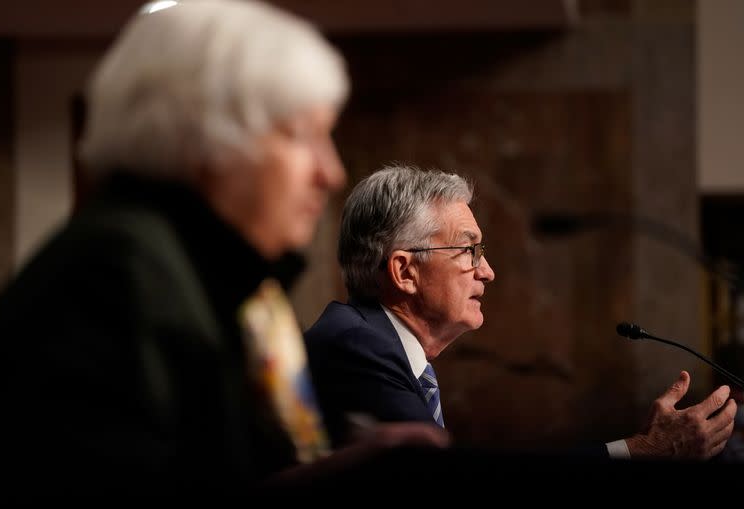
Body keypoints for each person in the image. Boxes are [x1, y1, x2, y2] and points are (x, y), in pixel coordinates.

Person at [0, 1, 447, 503]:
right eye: (304, 136)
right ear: (210, 143)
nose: (330, 172)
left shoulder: (215, 278)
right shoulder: (118, 278)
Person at [305, 165, 737, 460]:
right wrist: (641, 450)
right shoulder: (356, 345)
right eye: (468, 250)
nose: (488, 272)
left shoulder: (379, 347)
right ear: (404, 270)